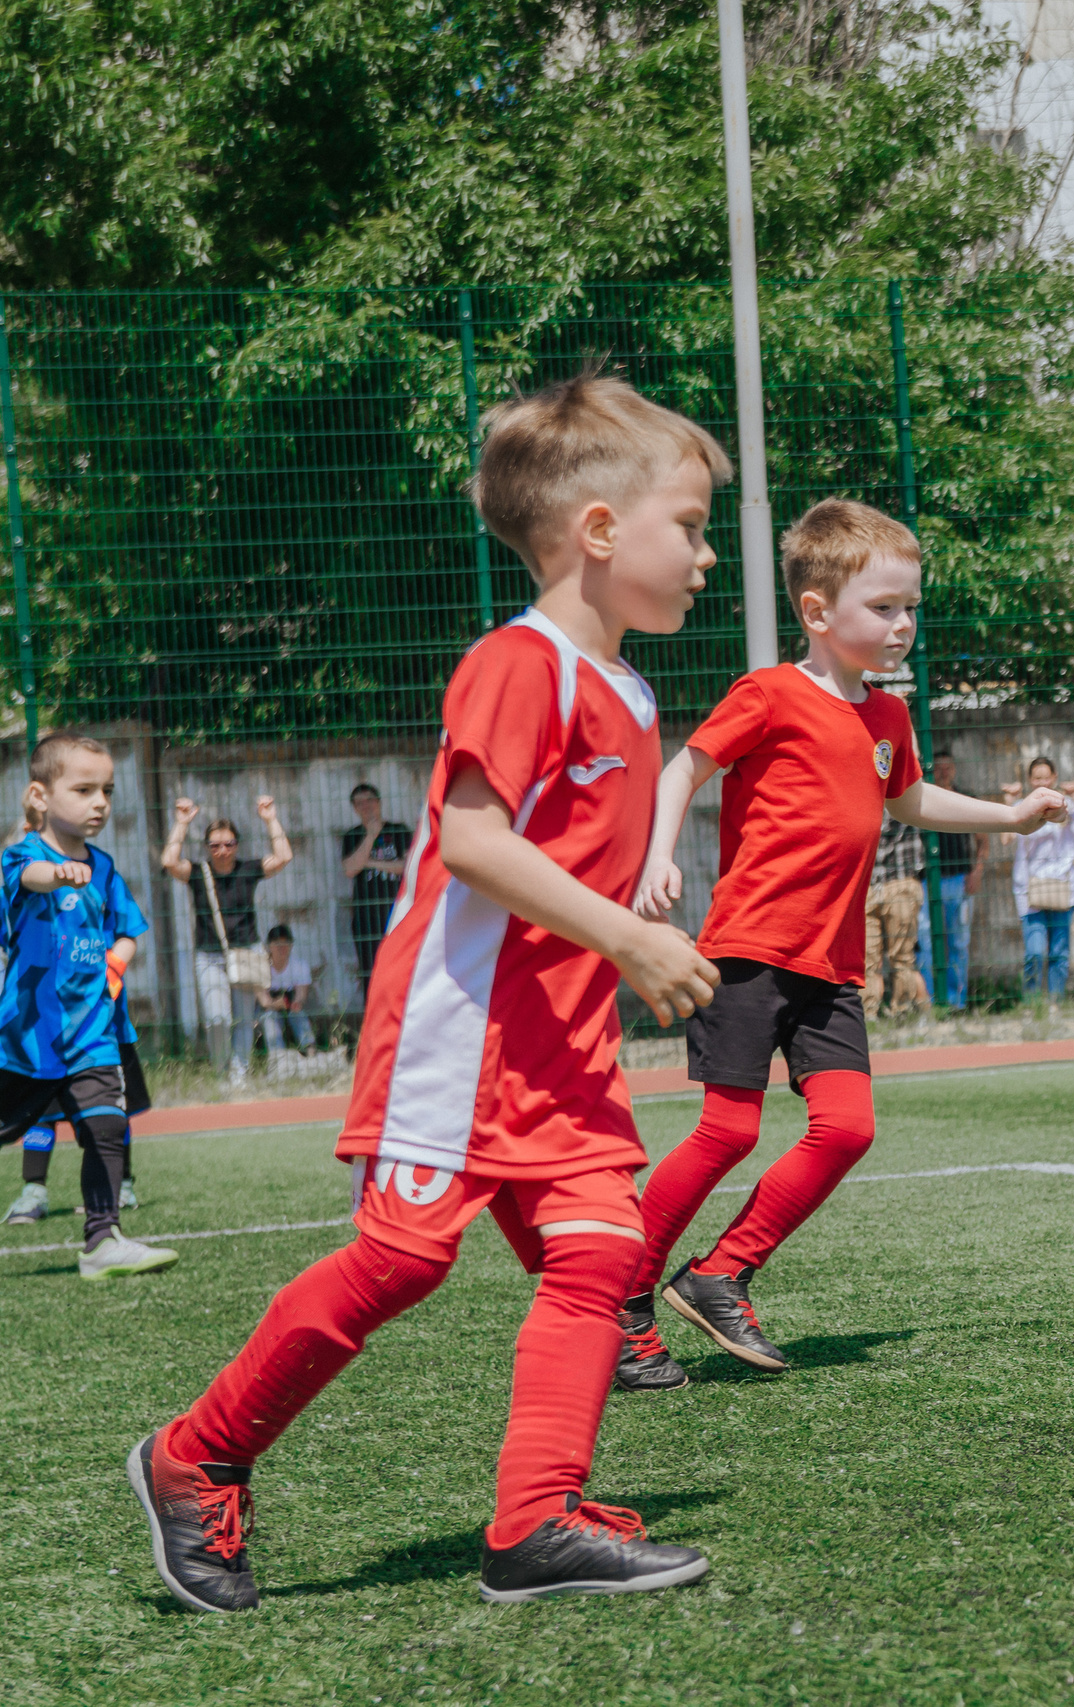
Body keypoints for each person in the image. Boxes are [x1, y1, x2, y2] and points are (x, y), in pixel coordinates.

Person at [129, 373, 732, 1612]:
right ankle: (194, 1457)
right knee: (401, 1263)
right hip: (462, 1042)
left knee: (600, 1255)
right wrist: (631, 937)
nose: (708, 556)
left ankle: (537, 1522)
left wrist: (623, 935)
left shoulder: (626, 684)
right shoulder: (524, 665)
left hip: (561, 1052)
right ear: (599, 532)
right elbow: (471, 842)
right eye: (692, 525)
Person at [625, 499, 1065, 1390]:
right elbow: (684, 766)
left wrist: (1009, 816)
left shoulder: (889, 720)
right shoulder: (769, 694)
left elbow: (909, 799)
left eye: (910, 608)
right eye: (883, 608)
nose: (902, 625)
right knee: (726, 1131)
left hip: (831, 967)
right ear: (818, 613)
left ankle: (720, 1272)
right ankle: (619, 1302)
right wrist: (658, 854)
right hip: (749, 947)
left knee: (850, 1126)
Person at [0, 733, 168, 1274]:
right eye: (84, 789)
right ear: (41, 795)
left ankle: (102, 1239)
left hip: (92, 1033)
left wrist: (117, 961)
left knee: (105, 1127)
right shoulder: (24, 855)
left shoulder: (106, 867)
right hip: (28, 1039)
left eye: (108, 791)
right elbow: (28, 878)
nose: (101, 802)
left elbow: (128, 931)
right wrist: (55, 875)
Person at [160, 795, 293, 1085]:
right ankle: (222, 1070)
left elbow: (284, 856)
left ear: (237, 845)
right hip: (209, 955)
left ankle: (239, 1075)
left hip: (247, 951)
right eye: (215, 845)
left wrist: (270, 818)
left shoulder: (248, 869)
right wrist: (181, 823)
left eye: (229, 844)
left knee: (245, 1018)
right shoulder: (197, 873)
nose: (222, 850)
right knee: (217, 1019)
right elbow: (169, 860)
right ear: (207, 847)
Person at [1009, 756, 1074, 1003]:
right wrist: (1010, 802)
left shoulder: (1067, 805)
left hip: (1062, 886)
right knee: (1034, 952)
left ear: (1054, 778)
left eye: (1046, 777)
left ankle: (1055, 1004)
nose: (1042, 782)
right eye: (1037, 778)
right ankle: (1032, 1004)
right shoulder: (1021, 806)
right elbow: (1005, 839)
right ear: (1030, 780)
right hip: (1029, 888)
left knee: (1059, 952)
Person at [918, 752, 984, 1007]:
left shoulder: (966, 799)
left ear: (955, 769)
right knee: (926, 943)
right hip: (927, 883)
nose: (944, 772)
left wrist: (976, 872)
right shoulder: (922, 800)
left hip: (959, 880)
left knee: (958, 942)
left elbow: (982, 841)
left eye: (948, 767)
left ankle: (957, 1002)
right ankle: (932, 1001)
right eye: (939, 768)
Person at [339, 783, 411, 1003]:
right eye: (359, 803)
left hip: (398, 912)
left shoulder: (399, 830)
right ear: (354, 808)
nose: (366, 806)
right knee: (371, 973)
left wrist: (369, 862)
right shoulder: (352, 836)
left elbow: (407, 867)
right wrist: (370, 836)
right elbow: (351, 869)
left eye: (369, 800)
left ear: (379, 802)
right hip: (366, 918)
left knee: (403, 969)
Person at [866, 811, 930, 1021]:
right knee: (866, 958)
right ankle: (868, 1016)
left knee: (901, 956)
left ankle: (902, 1012)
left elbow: (882, 823)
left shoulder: (904, 787)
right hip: (868, 883)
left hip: (901, 880)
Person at [254, 925, 316, 1059]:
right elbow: (263, 1001)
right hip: (267, 1008)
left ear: (291, 945)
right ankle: (279, 1057)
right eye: (277, 944)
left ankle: (310, 1053)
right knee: (270, 1018)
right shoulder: (261, 967)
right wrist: (275, 1004)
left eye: (286, 943)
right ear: (269, 946)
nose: (282, 948)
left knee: (299, 1015)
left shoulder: (300, 966)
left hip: (289, 1005)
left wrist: (296, 1004)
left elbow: (301, 995)